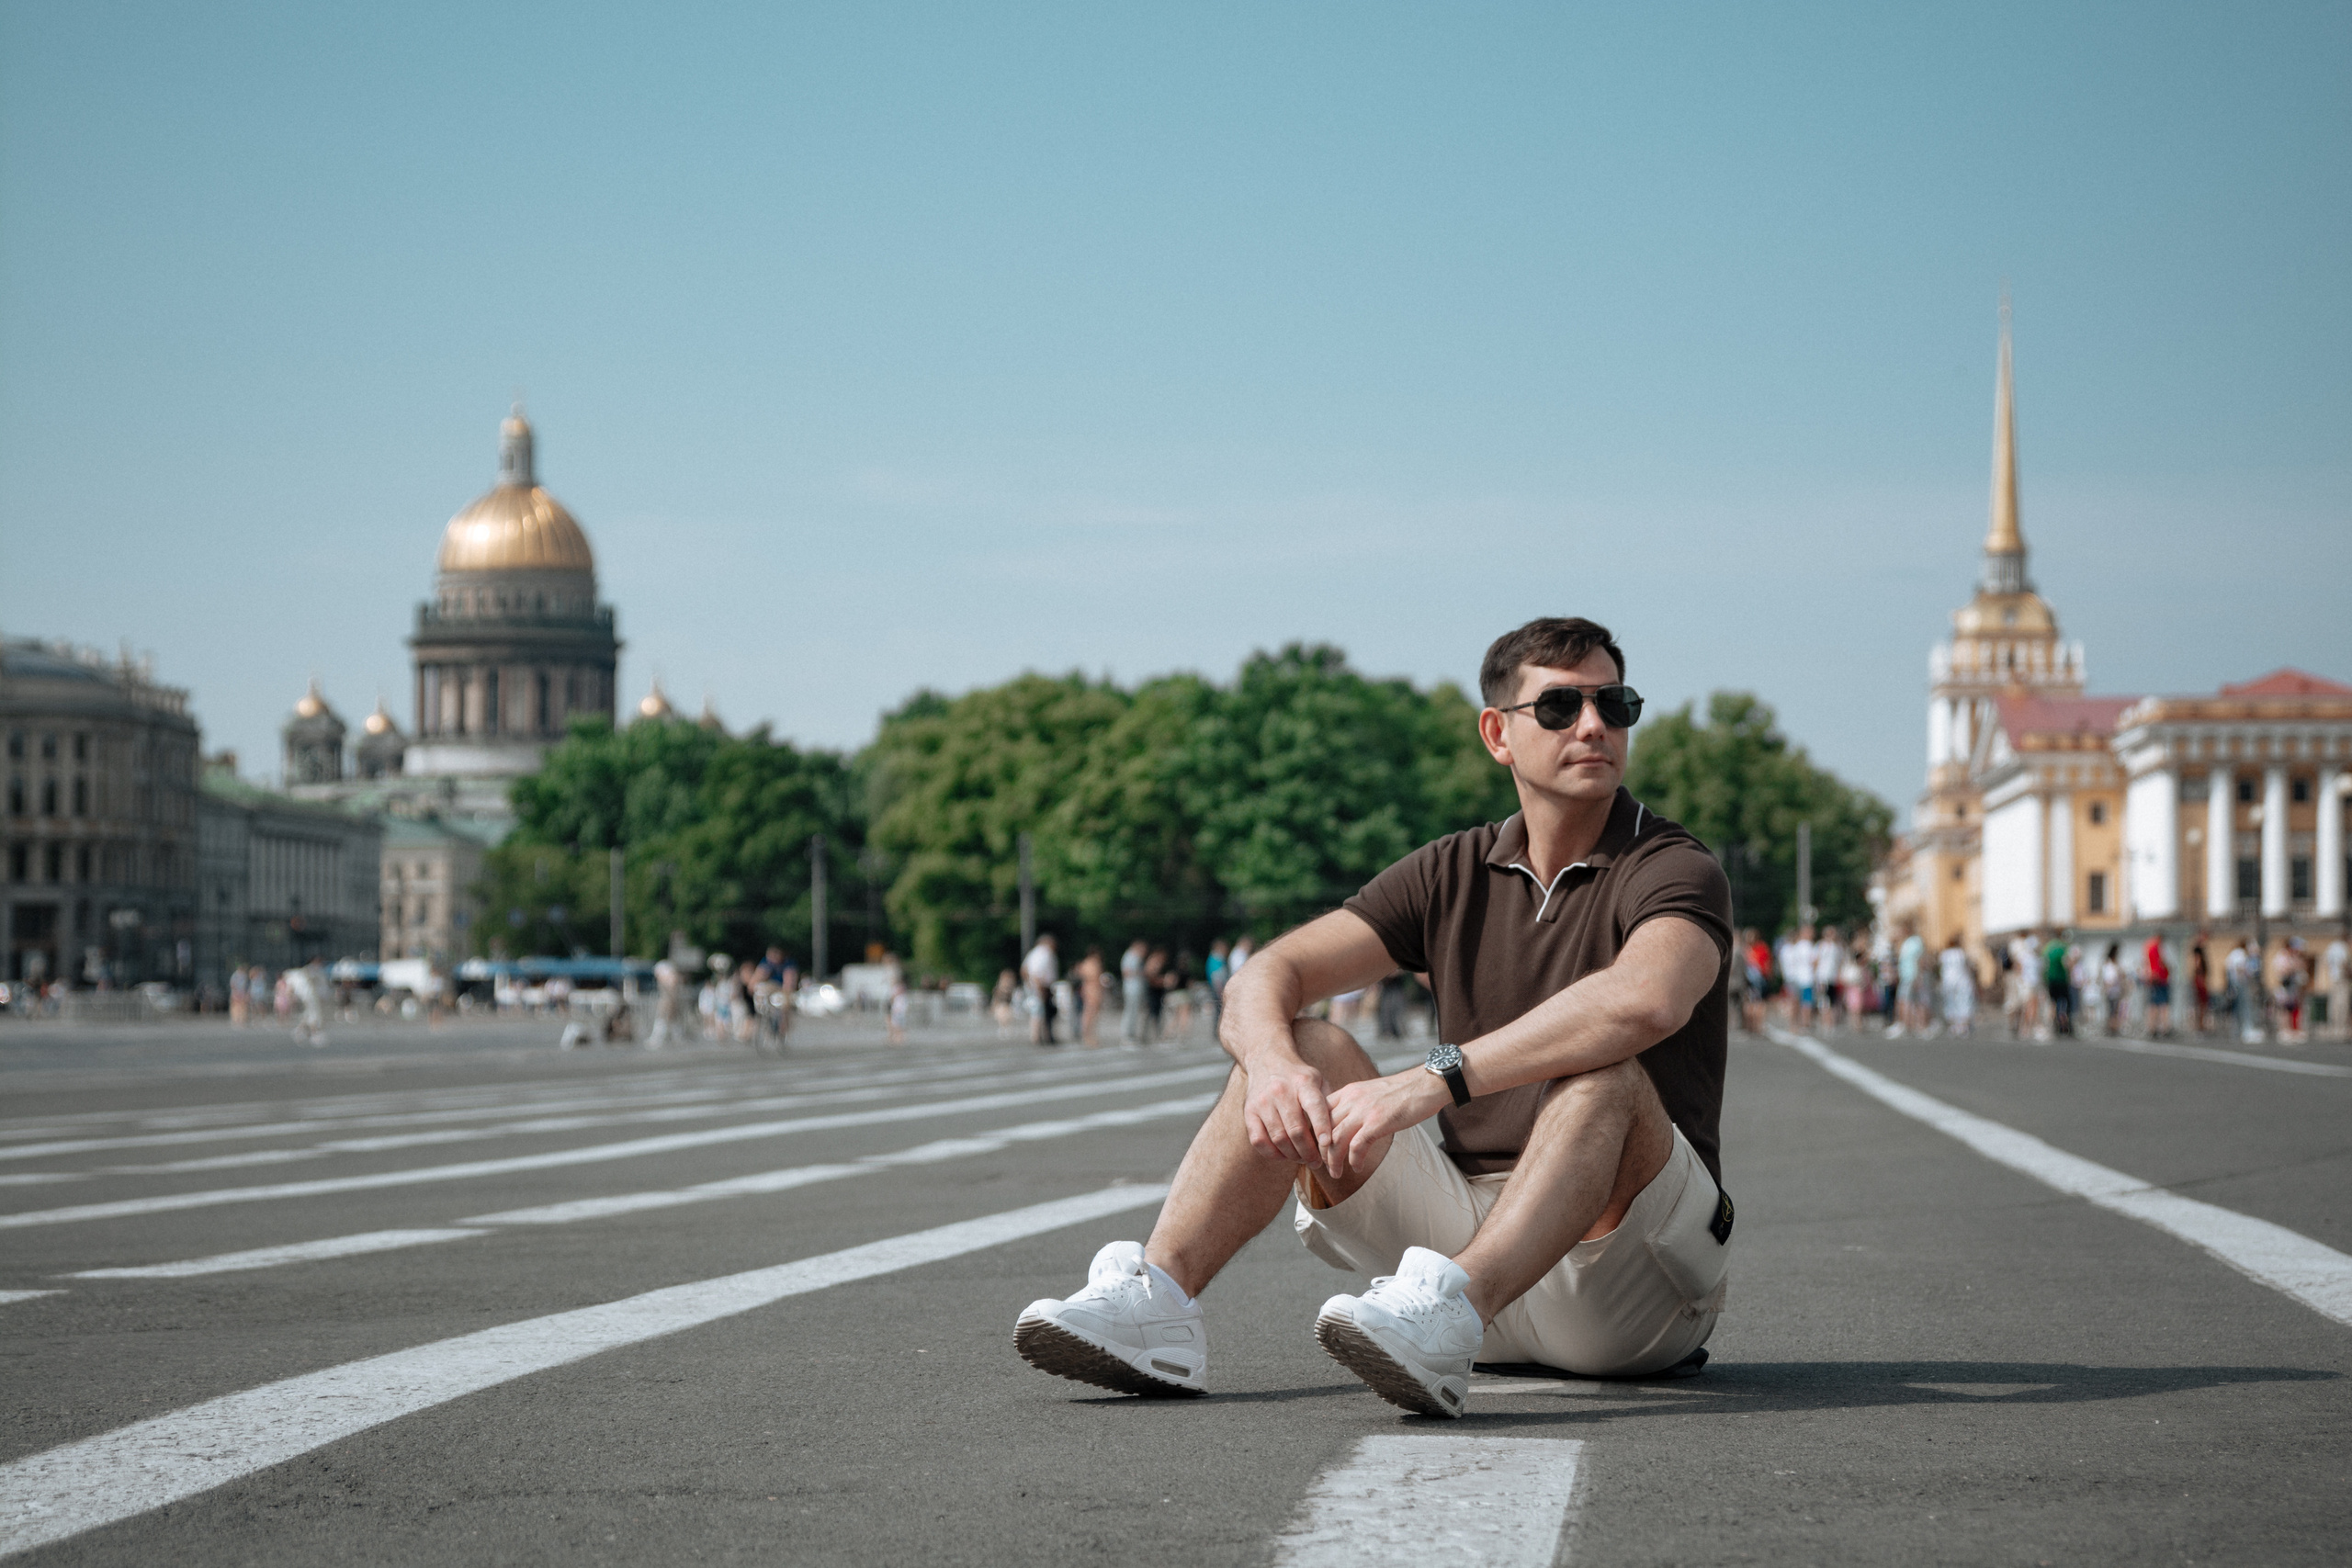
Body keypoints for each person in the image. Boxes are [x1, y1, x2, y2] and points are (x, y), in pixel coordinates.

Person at [1014, 615, 1734, 1416]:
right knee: (1307, 1041)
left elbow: (1647, 998)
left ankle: (1454, 1307)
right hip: (1452, 1268)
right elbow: (1268, 972)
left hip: (1626, 1281)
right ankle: (1160, 1303)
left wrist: (1435, 1079)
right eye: (1561, 708)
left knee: (1606, 1073)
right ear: (1498, 734)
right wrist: (1275, 1063)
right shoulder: (1453, 867)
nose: (1595, 725)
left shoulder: (1672, 864)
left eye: (1615, 704)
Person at [1023, 934, 1061, 1045]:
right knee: (1040, 1013)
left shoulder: (1033, 953)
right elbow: (1037, 973)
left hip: (1036, 986)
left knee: (1039, 1012)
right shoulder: (1044, 953)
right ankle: (1038, 1037)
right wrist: (1038, 988)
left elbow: (1024, 969)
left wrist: (1028, 984)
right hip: (1041, 987)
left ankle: (1039, 1036)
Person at [1937, 936, 1975, 1036]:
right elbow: (1968, 967)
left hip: (1948, 982)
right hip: (1962, 981)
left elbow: (1939, 968)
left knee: (1951, 1003)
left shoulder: (1944, 954)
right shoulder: (1961, 953)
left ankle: (1953, 1026)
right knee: (1963, 1002)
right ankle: (1963, 1026)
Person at [2042, 931, 2074, 1037]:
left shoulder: (2048, 947)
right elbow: (2068, 963)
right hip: (2062, 979)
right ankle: (2065, 1024)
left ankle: (2054, 1024)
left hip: (2050, 979)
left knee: (2053, 1003)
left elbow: (2044, 963)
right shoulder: (2063, 947)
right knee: (2066, 1002)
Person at [2143, 931, 2173, 1040]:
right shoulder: (2155, 948)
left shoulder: (2150, 947)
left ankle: (2154, 1028)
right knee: (2160, 1005)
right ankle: (2160, 1028)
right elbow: (2159, 964)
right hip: (2159, 980)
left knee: (2155, 1005)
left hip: (2157, 980)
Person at [1076, 946, 1107, 1048]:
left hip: (1092, 989)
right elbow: (1093, 977)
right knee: (1090, 1014)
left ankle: (1089, 1035)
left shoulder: (1086, 963)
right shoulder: (1092, 963)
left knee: (1092, 1014)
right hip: (1092, 989)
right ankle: (1087, 1036)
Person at [1120, 940, 1149, 1045]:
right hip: (1131, 988)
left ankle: (1131, 1034)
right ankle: (1126, 1035)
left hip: (1136, 989)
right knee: (1130, 1012)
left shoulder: (1135, 957)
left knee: (1134, 1012)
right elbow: (1126, 972)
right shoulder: (1130, 956)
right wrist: (1141, 972)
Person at [2324, 931, 2350, 1043]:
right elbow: (2343, 964)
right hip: (2342, 979)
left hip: (2333, 978)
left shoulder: (2331, 947)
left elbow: (2326, 961)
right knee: (2342, 1004)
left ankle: (2333, 1029)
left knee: (2333, 1004)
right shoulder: (2343, 948)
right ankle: (2340, 1030)